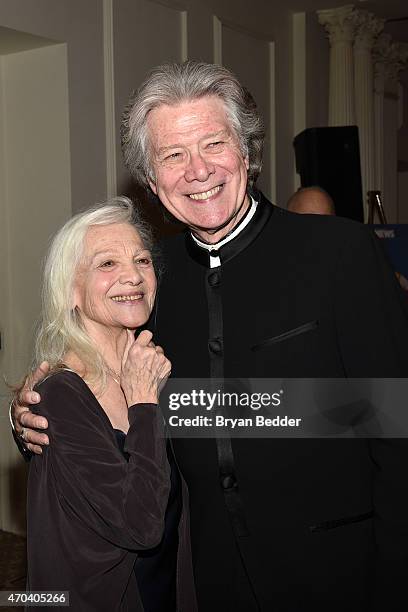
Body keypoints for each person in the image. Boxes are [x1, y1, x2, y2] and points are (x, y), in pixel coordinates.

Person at [12, 62, 408, 611]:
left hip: (336, 572)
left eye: (213, 144)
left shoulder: (341, 253)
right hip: (203, 577)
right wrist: (34, 415)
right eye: (173, 155)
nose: (197, 171)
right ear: (152, 182)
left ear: (247, 153)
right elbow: (102, 386)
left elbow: (396, 425)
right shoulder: (150, 279)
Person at [21, 198, 196, 611]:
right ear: (71, 290)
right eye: (107, 264)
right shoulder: (60, 395)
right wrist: (143, 407)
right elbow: (141, 527)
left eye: (142, 260)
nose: (133, 276)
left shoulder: (154, 370)